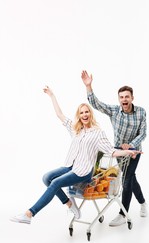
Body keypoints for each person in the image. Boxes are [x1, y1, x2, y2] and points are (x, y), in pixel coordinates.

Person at [10, 86, 140, 225]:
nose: (84, 115)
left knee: (55, 183)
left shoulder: (98, 133)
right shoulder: (76, 130)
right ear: (79, 116)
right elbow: (60, 115)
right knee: (46, 178)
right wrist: (52, 95)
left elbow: (112, 151)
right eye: (82, 112)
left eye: (87, 112)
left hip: (84, 171)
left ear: (90, 114)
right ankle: (70, 205)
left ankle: (29, 214)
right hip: (70, 166)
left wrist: (128, 151)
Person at [81, 70, 147, 227]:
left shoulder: (141, 112)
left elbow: (143, 133)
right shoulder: (114, 111)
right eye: (121, 97)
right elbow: (96, 104)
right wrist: (89, 86)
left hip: (135, 151)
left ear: (132, 98)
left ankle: (123, 214)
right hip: (118, 150)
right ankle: (143, 202)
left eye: (127, 96)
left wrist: (130, 145)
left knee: (126, 179)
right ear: (119, 99)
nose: (124, 99)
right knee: (131, 178)